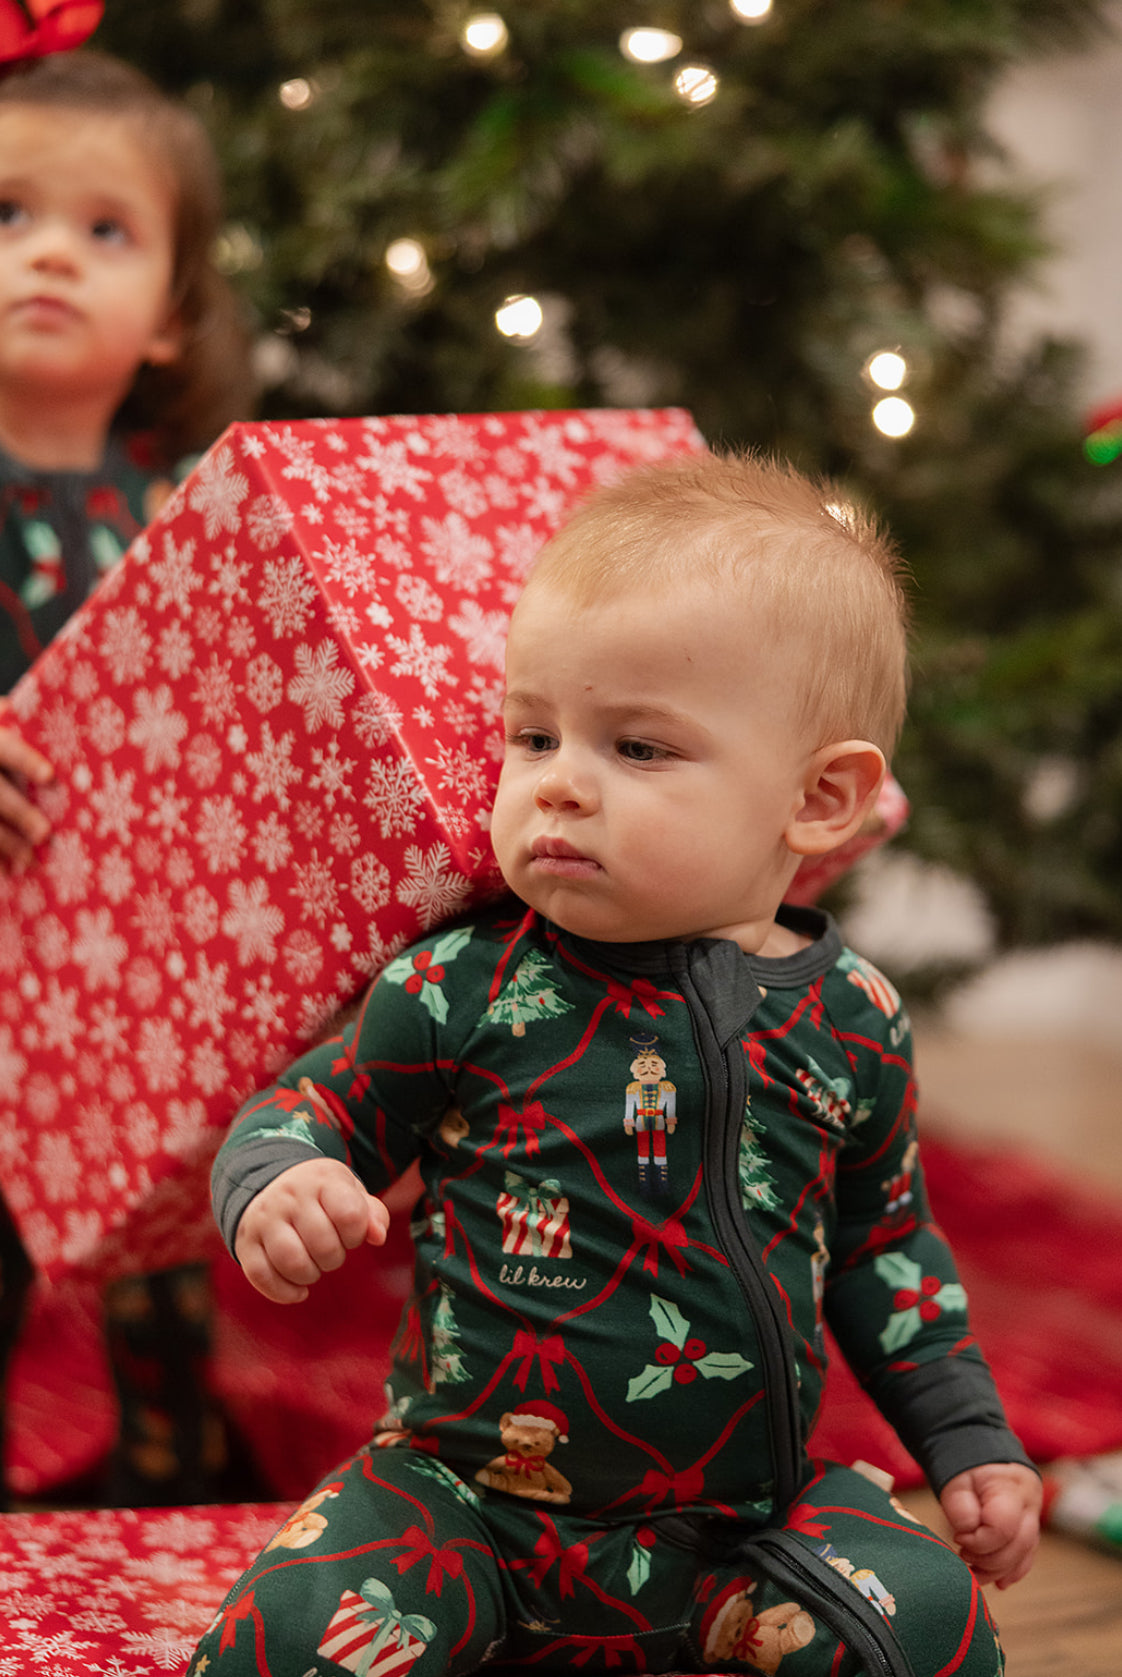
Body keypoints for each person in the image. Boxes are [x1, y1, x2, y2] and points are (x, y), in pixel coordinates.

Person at [191, 453, 1041, 1677]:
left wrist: (970, 1442)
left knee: (927, 1629)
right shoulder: (458, 989)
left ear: (819, 797)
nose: (558, 787)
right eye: (531, 734)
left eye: (637, 748)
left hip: (743, 1524)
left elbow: (886, 1248)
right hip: (465, 1503)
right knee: (286, 1636)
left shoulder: (854, 1019)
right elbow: (306, 1109)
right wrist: (279, 1178)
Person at [0, 45, 254, 1507]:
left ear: (169, 312)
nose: (48, 253)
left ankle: (171, 1480)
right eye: (10, 213)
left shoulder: (186, 511)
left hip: (141, 963)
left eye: (105, 230)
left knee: (172, 1213)